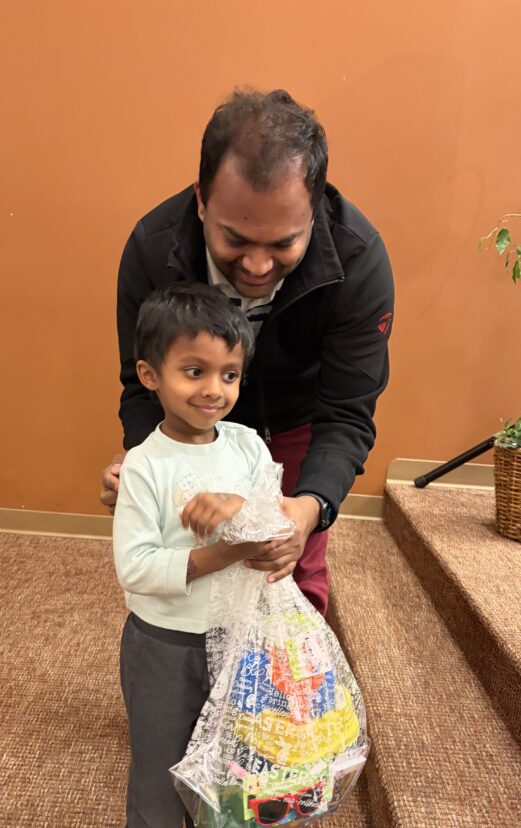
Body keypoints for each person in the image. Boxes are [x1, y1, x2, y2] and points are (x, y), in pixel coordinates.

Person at [102, 87, 394, 616]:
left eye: (283, 244)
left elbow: (347, 413)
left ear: (315, 209)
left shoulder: (359, 259)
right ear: (200, 199)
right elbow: (140, 384)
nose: (258, 266)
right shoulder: (152, 246)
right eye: (235, 239)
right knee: (190, 560)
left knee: (291, 574)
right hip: (190, 425)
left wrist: (310, 508)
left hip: (299, 418)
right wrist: (151, 469)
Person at [112, 282, 278, 828]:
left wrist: (242, 504)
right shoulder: (145, 468)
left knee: (225, 755)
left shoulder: (244, 445)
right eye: (194, 371)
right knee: (159, 761)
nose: (214, 389)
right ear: (151, 375)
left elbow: (271, 502)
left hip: (234, 637)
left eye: (229, 373)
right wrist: (224, 551)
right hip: (162, 644)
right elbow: (139, 567)